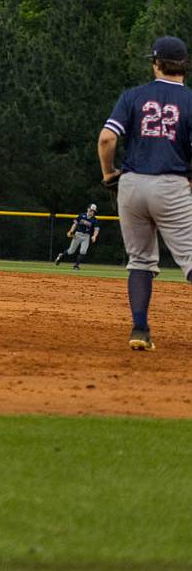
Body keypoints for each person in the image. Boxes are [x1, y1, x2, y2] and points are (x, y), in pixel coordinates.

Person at [99, 35, 192, 351]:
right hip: (171, 184)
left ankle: (139, 330)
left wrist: (109, 174)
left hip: (132, 183)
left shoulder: (132, 97)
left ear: (155, 63)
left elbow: (107, 139)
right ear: (184, 66)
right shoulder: (190, 101)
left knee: (139, 261)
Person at [54, 204, 99, 269]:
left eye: (94, 211)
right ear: (88, 209)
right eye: (91, 210)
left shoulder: (94, 219)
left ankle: (76, 266)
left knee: (83, 251)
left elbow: (96, 229)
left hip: (86, 236)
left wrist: (94, 236)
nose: (92, 212)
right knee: (71, 251)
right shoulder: (81, 215)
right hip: (78, 235)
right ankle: (61, 256)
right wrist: (70, 231)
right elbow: (75, 224)